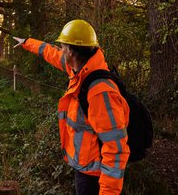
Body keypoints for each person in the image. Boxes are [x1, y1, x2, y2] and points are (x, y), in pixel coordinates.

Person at [13, 19, 130, 195]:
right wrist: (27, 43)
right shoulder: (78, 69)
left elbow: (116, 149)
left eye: (63, 47)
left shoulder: (100, 92)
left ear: (72, 52)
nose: (60, 50)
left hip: (94, 177)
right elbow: (50, 53)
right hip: (83, 166)